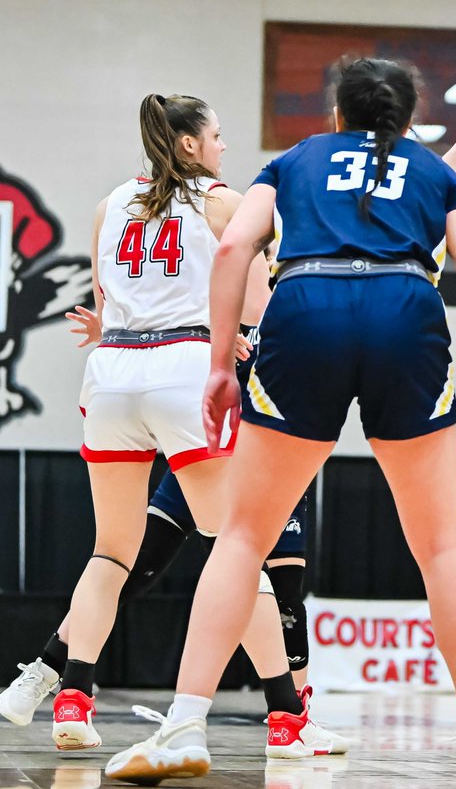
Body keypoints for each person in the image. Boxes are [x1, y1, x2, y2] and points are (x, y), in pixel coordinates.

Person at [106, 57, 456, 789]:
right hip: (405, 313)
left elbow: (234, 249)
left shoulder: (295, 160)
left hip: (307, 310)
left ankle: (182, 727)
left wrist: (217, 364)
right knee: (442, 545)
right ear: (404, 118)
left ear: (338, 116)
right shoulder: (432, 171)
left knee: (241, 536)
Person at [31, 94, 297, 754]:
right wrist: (234, 333)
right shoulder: (224, 203)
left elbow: (105, 303)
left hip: (114, 375)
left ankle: (72, 701)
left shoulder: (107, 206)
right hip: (182, 371)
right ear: (189, 145)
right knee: (237, 548)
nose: (224, 147)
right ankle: (289, 716)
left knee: (110, 550)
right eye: (216, 135)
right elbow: (268, 306)